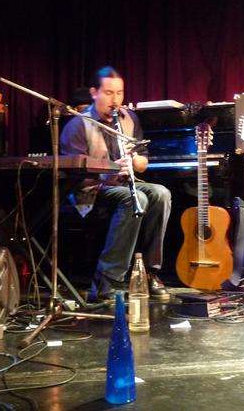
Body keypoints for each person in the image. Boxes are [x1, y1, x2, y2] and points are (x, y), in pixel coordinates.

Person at [60, 66, 171, 302]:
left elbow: (143, 163)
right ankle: (107, 282)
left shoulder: (129, 118)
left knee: (161, 193)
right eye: (109, 93)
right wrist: (110, 168)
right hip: (91, 191)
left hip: (121, 184)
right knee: (135, 198)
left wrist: (133, 160)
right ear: (94, 93)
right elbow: (74, 173)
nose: (115, 100)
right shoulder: (78, 125)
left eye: (119, 93)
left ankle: (149, 273)